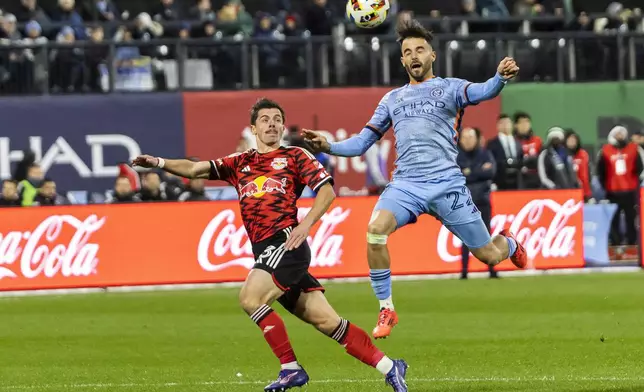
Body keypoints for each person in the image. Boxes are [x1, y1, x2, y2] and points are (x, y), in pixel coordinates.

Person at [131, 98, 408, 392]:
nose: (272, 124)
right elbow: (194, 169)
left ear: (283, 126)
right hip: (267, 251)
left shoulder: (295, 156)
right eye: (265, 119)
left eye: (277, 119)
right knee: (328, 323)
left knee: (251, 299)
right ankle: (391, 367)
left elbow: (326, 192)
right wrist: (158, 164)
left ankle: (290, 368)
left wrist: (305, 224)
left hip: (286, 243)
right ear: (253, 128)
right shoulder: (239, 163)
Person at [302, 19, 527, 340]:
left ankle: (511, 242)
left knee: (489, 255)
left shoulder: (450, 88)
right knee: (375, 231)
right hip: (406, 185)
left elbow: (482, 91)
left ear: (432, 55)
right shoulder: (392, 100)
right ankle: (386, 307)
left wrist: (499, 78)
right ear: (402, 61)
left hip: (448, 185)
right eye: (407, 51)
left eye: (420, 49)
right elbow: (363, 142)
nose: (414, 55)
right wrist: (330, 146)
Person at [457, 128, 498, 279]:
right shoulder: (456, 156)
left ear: (477, 139)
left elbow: (490, 172)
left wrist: (469, 172)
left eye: (471, 137)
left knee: (486, 236)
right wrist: (478, 171)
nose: (468, 140)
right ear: (460, 140)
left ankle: (492, 270)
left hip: (483, 201)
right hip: (464, 203)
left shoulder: (485, 153)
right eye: (465, 137)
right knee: (465, 237)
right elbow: (457, 176)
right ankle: (464, 271)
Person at [596, 126, 643, 247]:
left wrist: (633, 180)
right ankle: (615, 242)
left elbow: (639, 167)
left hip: (629, 190)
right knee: (614, 218)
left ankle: (632, 242)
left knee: (630, 217)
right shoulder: (605, 150)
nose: (620, 136)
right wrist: (605, 185)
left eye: (622, 134)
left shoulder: (633, 149)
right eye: (617, 134)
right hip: (612, 191)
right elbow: (601, 170)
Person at [487, 114, 523, 190]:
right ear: (497, 126)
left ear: (512, 125)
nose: (505, 125)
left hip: (517, 182)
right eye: (502, 123)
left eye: (507, 122)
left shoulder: (518, 143)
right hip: (500, 182)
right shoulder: (492, 144)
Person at [564, 129, 593, 202]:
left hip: (584, 192)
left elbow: (587, 173)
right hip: (568, 192)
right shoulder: (563, 155)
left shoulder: (583, 154)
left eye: (574, 139)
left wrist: (588, 191)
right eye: (569, 139)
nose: (572, 141)